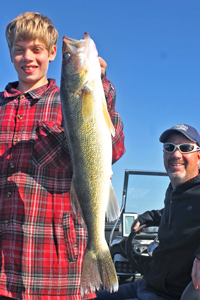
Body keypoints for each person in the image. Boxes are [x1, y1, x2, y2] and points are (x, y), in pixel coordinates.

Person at [0, 12, 125, 300]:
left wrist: (102, 88)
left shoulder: (66, 99)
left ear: (53, 53)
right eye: (19, 50)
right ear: (10, 54)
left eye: (36, 49)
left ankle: (99, 251)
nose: (27, 57)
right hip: (5, 269)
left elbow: (114, 148)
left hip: (60, 269)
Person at [96, 124, 200, 300]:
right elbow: (172, 213)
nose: (176, 154)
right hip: (148, 283)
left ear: (198, 157)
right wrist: (148, 217)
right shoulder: (176, 192)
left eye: (185, 148)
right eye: (169, 148)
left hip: (168, 294)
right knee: (91, 296)